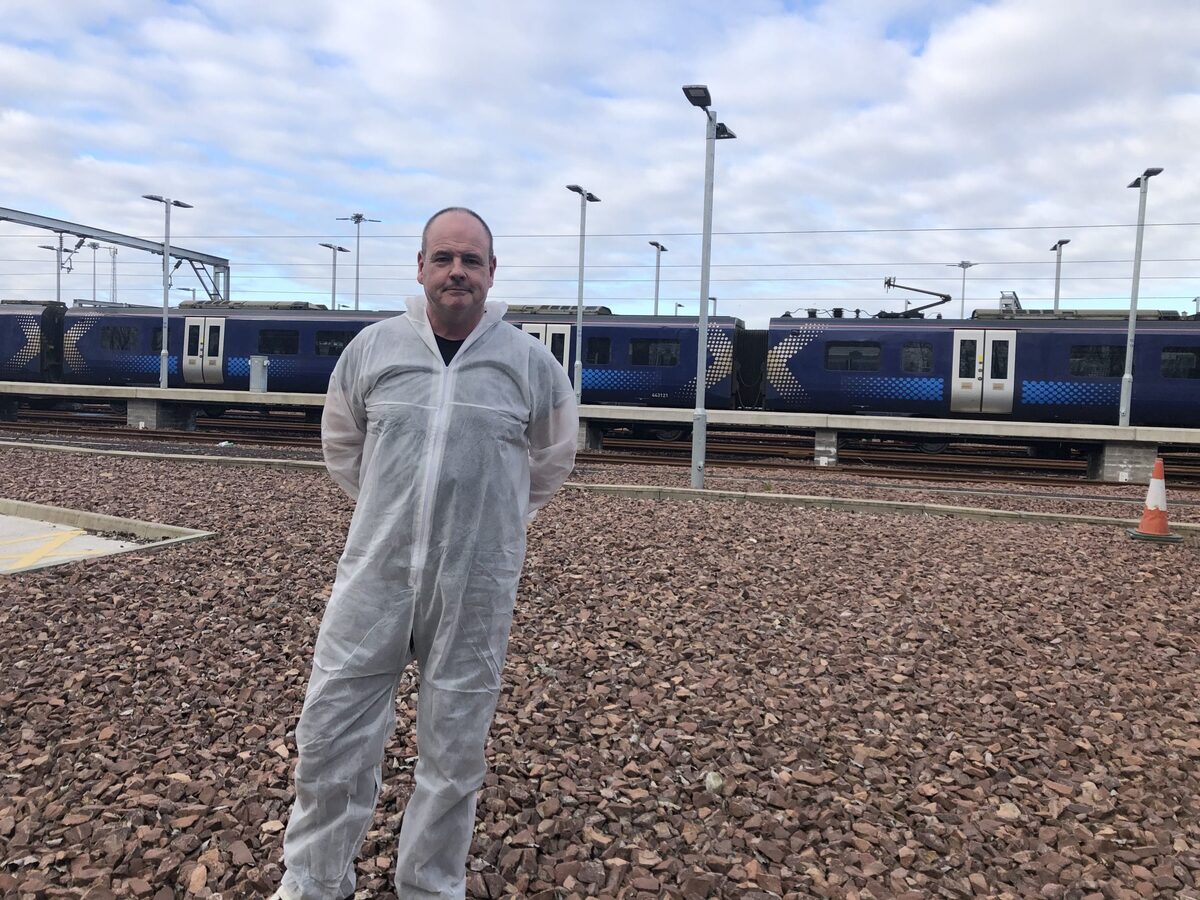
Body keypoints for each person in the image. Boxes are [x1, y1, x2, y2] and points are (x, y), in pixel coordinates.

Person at [271, 208, 579, 900]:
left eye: (471, 260)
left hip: (475, 584)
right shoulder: (374, 350)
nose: (456, 272)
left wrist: (493, 518)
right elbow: (343, 445)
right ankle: (315, 881)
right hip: (375, 575)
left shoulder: (528, 364)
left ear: (492, 273)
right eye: (443, 258)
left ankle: (431, 886)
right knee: (331, 734)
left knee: (455, 752)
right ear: (420, 267)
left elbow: (553, 458)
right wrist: (395, 511)